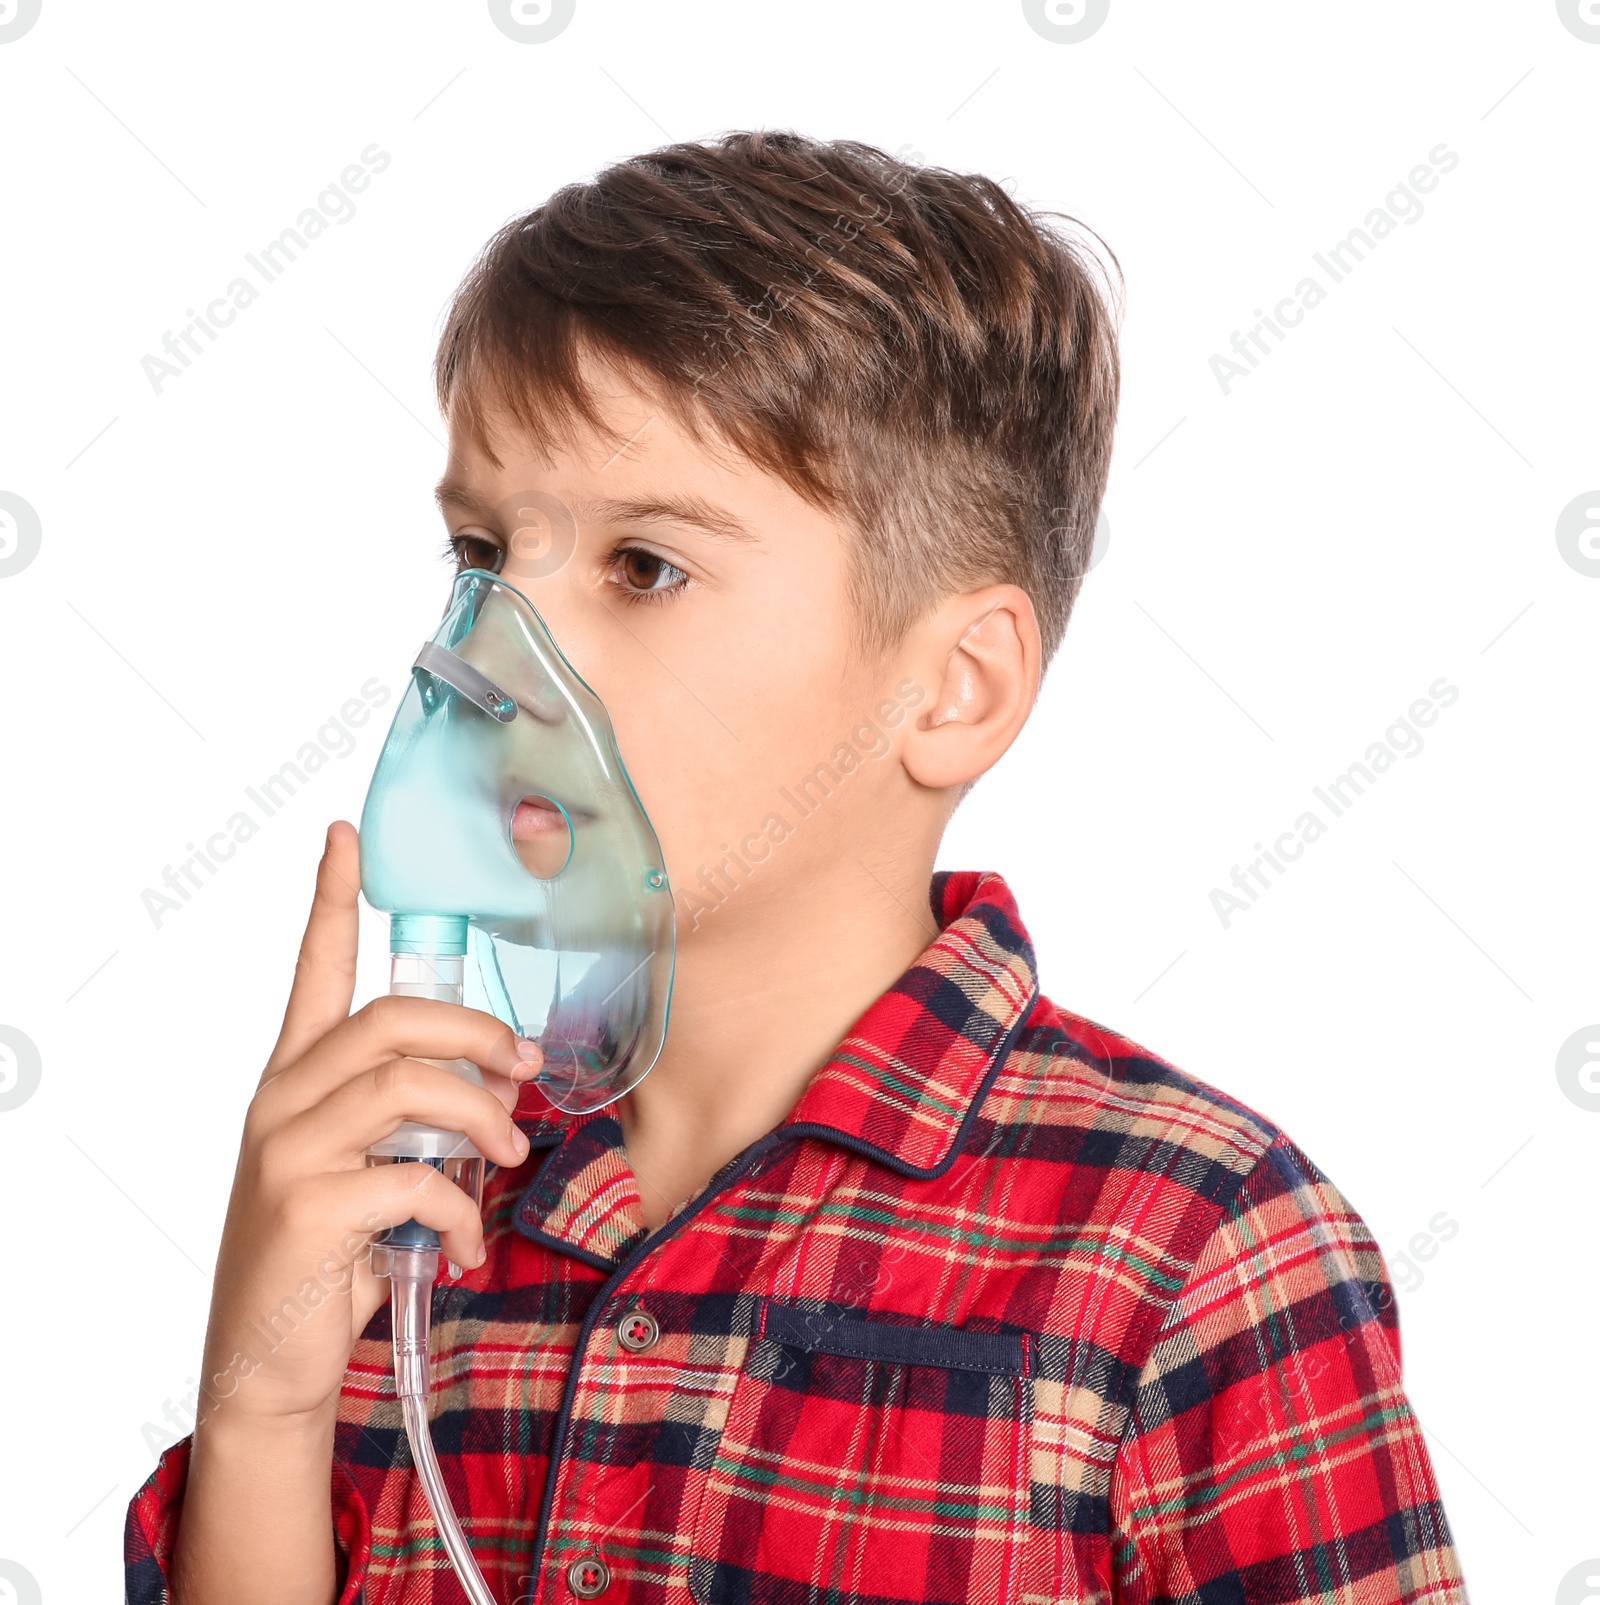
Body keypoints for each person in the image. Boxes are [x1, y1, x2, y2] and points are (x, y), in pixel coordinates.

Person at [127, 131, 1466, 1605]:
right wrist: (264, 1409)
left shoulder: (1197, 1259)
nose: (498, 662)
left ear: (953, 686)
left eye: (644, 566)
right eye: (484, 553)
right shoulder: (416, 1225)